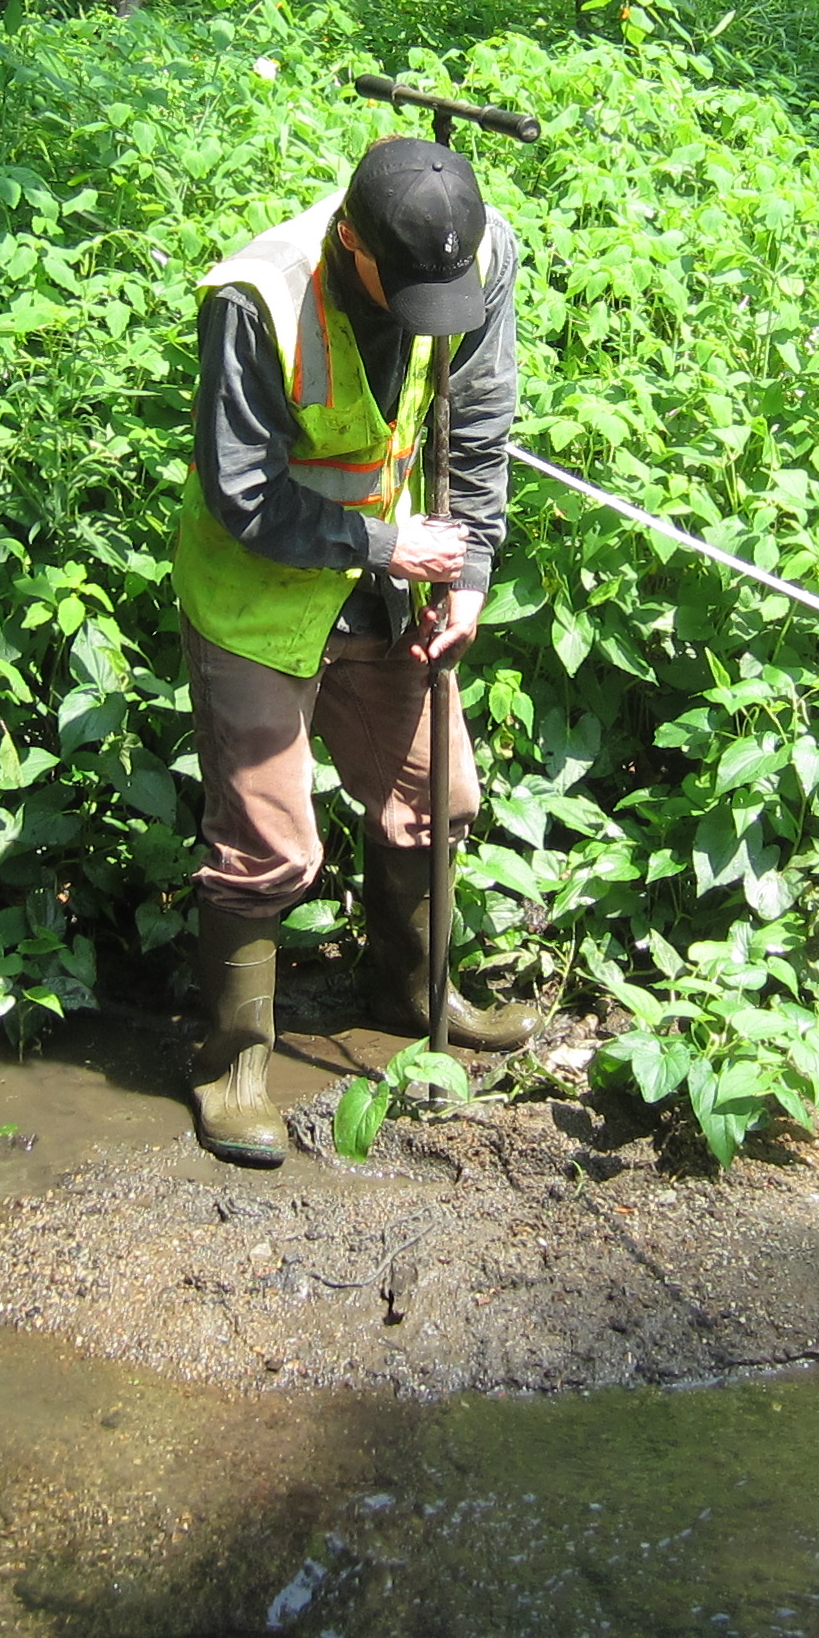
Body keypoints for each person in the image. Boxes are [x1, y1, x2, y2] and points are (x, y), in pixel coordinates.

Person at [169, 133, 543, 1164]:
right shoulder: (257, 299)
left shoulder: (476, 257)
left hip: (393, 585)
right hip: (258, 593)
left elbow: (477, 431)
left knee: (440, 799)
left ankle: (410, 994)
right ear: (352, 241)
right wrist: (389, 542)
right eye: (407, 289)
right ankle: (234, 1065)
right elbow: (243, 493)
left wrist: (465, 576)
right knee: (270, 848)